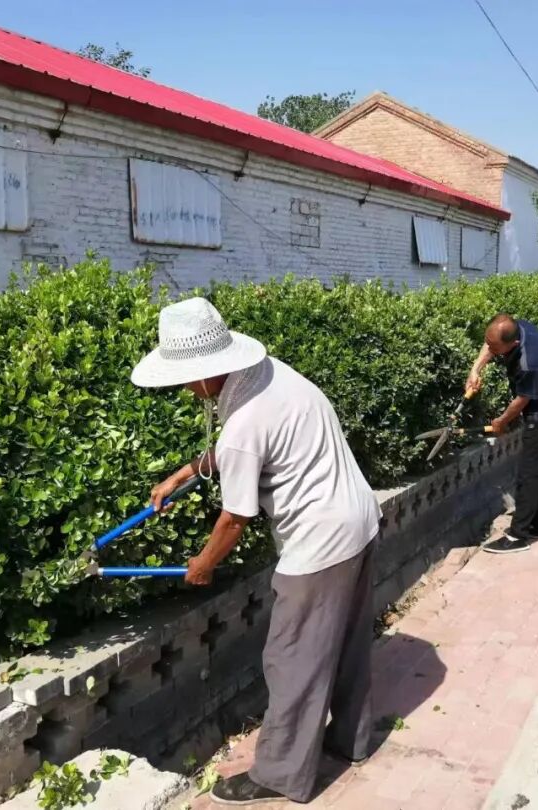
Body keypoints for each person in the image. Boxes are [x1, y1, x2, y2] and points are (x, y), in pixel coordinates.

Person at [131, 297, 382, 806]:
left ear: (204, 374)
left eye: (184, 379)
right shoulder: (267, 372)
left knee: (291, 658)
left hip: (320, 544)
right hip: (360, 520)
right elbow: (242, 447)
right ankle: (351, 740)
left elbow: (235, 517)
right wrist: (184, 473)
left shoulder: (244, 420)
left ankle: (280, 775)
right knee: (348, 642)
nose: (183, 389)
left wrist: (203, 564)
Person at [467, 313, 538, 554]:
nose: (490, 348)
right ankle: (537, 523)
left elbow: (523, 398)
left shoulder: (528, 361)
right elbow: (490, 343)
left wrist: (502, 422)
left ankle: (518, 536)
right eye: (488, 341)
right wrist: (475, 370)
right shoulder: (514, 329)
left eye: (496, 347)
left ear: (512, 345)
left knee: (529, 473)